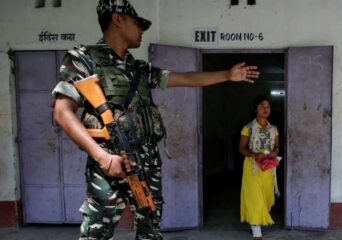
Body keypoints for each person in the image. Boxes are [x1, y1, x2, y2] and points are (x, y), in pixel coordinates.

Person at [52, 0, 259, 239]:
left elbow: (186, 78)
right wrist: (103, 158)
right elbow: (62, 112)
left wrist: (227, 75)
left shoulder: (140, 69)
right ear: (118, 19)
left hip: (146, 162)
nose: (142, 30)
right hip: (109, 161)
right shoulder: (83, 58)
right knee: (97, 233)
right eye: (138, 23)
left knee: (150, 231)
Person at [239, 97, 280, 240]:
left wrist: (274, 152)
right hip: (252, 167)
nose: (265, 108)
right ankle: (257, 233)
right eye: (262, 106)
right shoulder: (248, 128)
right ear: (255, 109)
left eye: (268, 106)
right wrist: (255, 155)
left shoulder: (273, 129)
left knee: (266, 197)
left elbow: (276, 147)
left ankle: (258, 221)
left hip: (268, 167)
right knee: (255, 198)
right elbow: (242, 149)